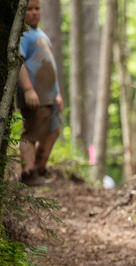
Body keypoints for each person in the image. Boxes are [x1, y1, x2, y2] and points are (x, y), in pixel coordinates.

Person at [16, 0, 63, 187]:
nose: (34, 13)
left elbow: (52, 66)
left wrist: (57, 93)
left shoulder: (41, 34)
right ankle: (28, 173)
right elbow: (18, 62)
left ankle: (40, 168)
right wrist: (28, 89)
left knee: (53, 131)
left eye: (37, 9)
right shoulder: (23, 35)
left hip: (49, 95)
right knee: (32, 133)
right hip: (34, 95)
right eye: (30, 9)